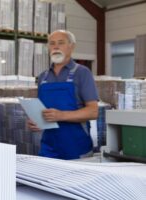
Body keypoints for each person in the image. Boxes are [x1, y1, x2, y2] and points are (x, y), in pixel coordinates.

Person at [28, 30, 98, 160]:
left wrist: (61, 115)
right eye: (52, 43)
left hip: (76, 146)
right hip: (48, 147)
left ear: (71, 46)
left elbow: (93, 111)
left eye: (61, 43)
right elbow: (42, 110)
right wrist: (36, 121)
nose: (55, 47)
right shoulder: (43, 77)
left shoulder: (82, 73)